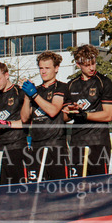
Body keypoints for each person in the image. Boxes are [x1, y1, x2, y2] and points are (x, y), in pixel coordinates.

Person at [64, 45, 112, 177]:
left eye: (93, 63)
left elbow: (108, 115)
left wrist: (85, 115)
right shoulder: (71, 85)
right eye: (87, 65)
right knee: (77, 186)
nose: (92, 68)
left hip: (98, 141)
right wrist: (70, 111)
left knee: (99, 186)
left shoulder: (104, 82)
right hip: (77, 142)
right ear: (78, 64)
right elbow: (64, 117)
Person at [21, 51, 70, 181]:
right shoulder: (36, 90)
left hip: (56, 146)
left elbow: (53, 110)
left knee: (60, 188)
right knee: (37, 188)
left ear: (56, 68)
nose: (43, 71)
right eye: (41, 68)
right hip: (36, 145)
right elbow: (25, 118)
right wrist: (27, 97)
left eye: (47, 68)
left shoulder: (62, 87)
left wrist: (34, 95)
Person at [0, 61, 28, 185]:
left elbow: (27, 121)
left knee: (18, 187)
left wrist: (8, 124)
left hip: (16, 146)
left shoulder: (20, 93)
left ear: (7, 75)